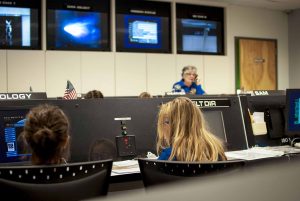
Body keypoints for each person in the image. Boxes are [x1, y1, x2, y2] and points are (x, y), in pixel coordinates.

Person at [156, 97, 226, 161]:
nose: (162, 127)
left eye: (164, 122)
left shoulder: (168, 156)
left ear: (170, 124)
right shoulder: (215, 150)